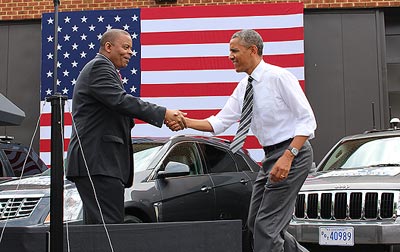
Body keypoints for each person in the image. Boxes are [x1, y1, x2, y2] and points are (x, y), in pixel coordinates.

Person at [167, 29, 316, 251]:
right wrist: (185, 121)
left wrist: (288, 156)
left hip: (293, 153)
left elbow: (308, 120)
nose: (230, 56)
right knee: (256, 222)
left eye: (234, 50)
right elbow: (218, 123)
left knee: (267, 226)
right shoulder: (244, 87)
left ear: (252, 50)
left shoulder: (279, 77)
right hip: (271, 157)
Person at [66, 29, 186, 224]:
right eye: (126, 47)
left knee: (99, 229)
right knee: (109, 227)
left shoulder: (106, 70)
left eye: (131, 48)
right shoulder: (99, 67)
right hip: (98, 163)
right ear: (108, 47)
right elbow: (122, 101)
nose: (130, 52)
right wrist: (163, 114)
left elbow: (119, 109)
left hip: (101, 164)